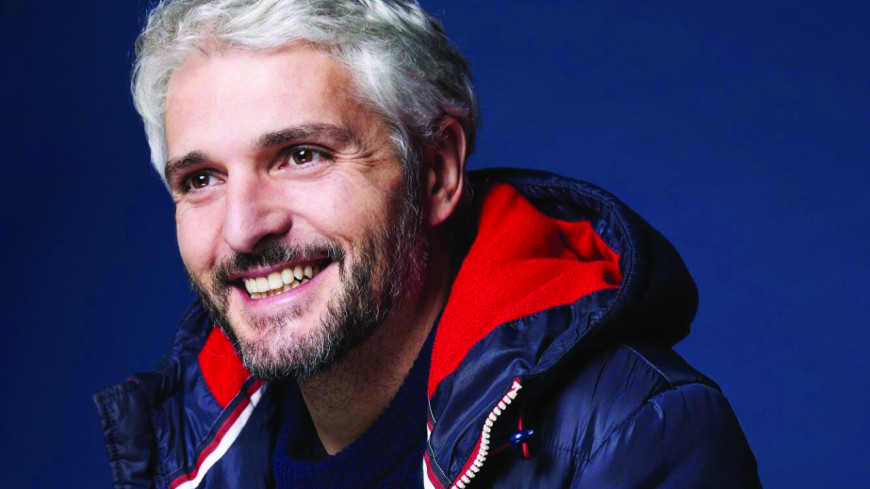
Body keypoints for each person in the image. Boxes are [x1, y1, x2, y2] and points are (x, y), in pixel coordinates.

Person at [94, 1, 762, 487]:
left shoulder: (632, 435)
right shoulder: (193, 453)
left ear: (437, 172)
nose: (242, 229)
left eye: (301, 155)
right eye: (201, 179)